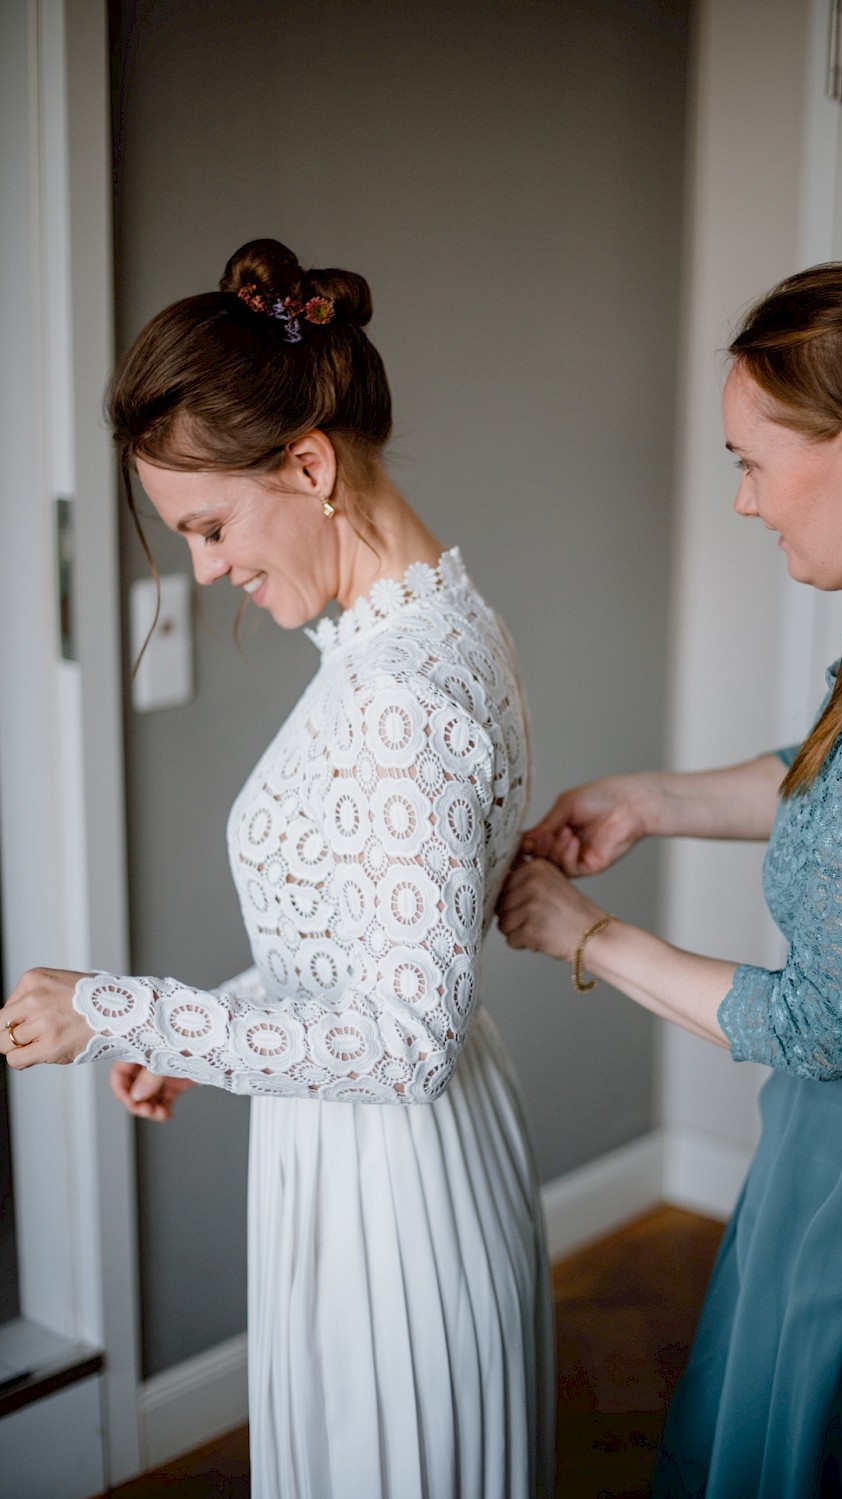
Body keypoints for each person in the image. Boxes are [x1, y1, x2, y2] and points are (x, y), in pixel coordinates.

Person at [1, 238, 554, 1499]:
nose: (203, 568)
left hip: (395, 1199)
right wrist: (219, 1019)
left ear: (309, 466)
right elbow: (363, 938)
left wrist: (118, 1009)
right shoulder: (420, 622)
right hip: (363, 1163)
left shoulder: (402, 692)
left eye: (206, 525)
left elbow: (401, 1039)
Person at [499, 253, 842, 1498]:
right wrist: (650, 801)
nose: (742, 500)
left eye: (750, 461)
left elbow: (819, 1022)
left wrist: (584, 935)